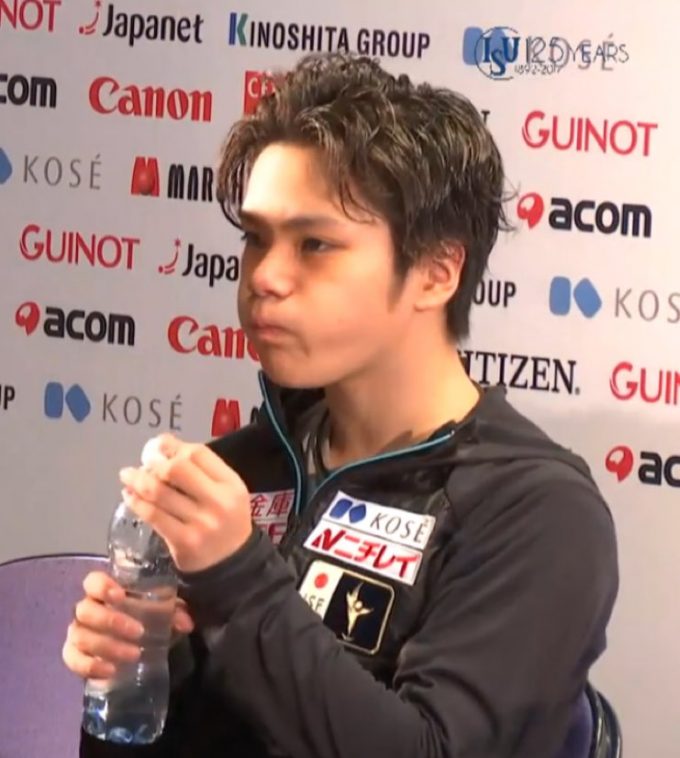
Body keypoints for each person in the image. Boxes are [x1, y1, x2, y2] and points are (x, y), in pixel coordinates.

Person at [62, 51, 618, 758]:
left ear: (437, 272)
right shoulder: (238, 474)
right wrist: (143, 678)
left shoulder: (537, 512)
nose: (265, 277)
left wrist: (238, 580)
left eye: (315, 244)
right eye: (255, 239)